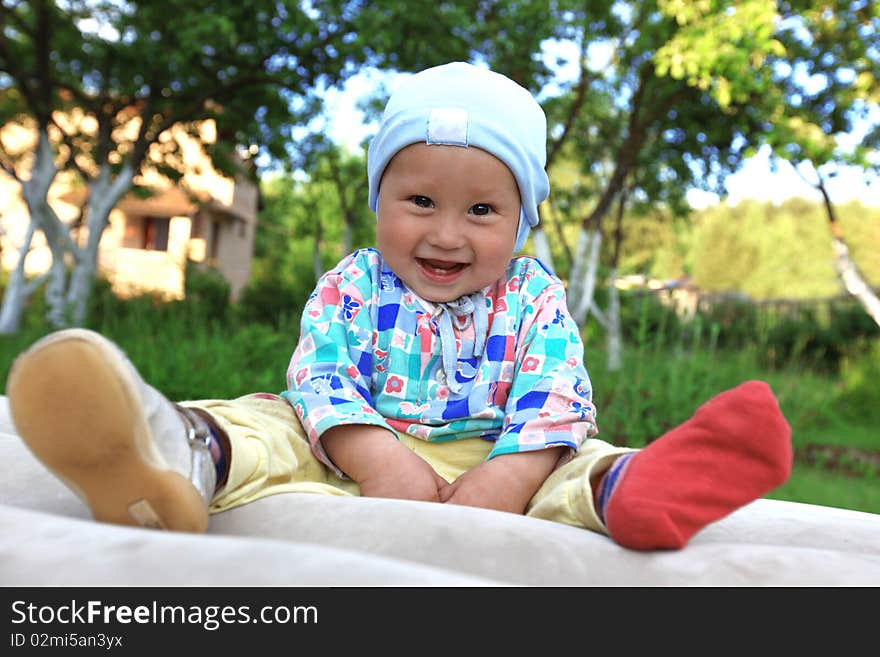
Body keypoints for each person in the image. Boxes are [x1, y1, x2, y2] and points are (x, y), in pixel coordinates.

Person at [5, 62, 793, 550]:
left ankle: (638, 487)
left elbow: (553, 397)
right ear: (378, 198)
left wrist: (502, 480)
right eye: (419, 199)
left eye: (482, 212)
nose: (446, 234)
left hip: (500, 451)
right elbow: (321, 379)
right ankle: (174, 453)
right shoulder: (353, 283)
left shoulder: (533, 295)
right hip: (348, 446)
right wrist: (379, 455)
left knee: (574, 461)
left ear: (523, 223)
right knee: (268, 421)